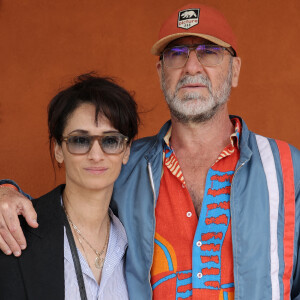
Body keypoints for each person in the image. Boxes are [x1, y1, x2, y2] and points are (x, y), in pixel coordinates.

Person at [0, 3, 299, 300]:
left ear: (234, 70)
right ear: (160, 73)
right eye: (176, 55)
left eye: (209, 52)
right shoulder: (125, 164)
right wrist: (7, 192)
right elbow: (64, 209)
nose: (192, 67)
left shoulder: (287, 168)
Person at [0, 73, 139, 299]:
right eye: (80, 140)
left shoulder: (140, 238)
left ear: (127, 150)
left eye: (110, 140)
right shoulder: (13, 234)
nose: (96, 155)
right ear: (57, 149)